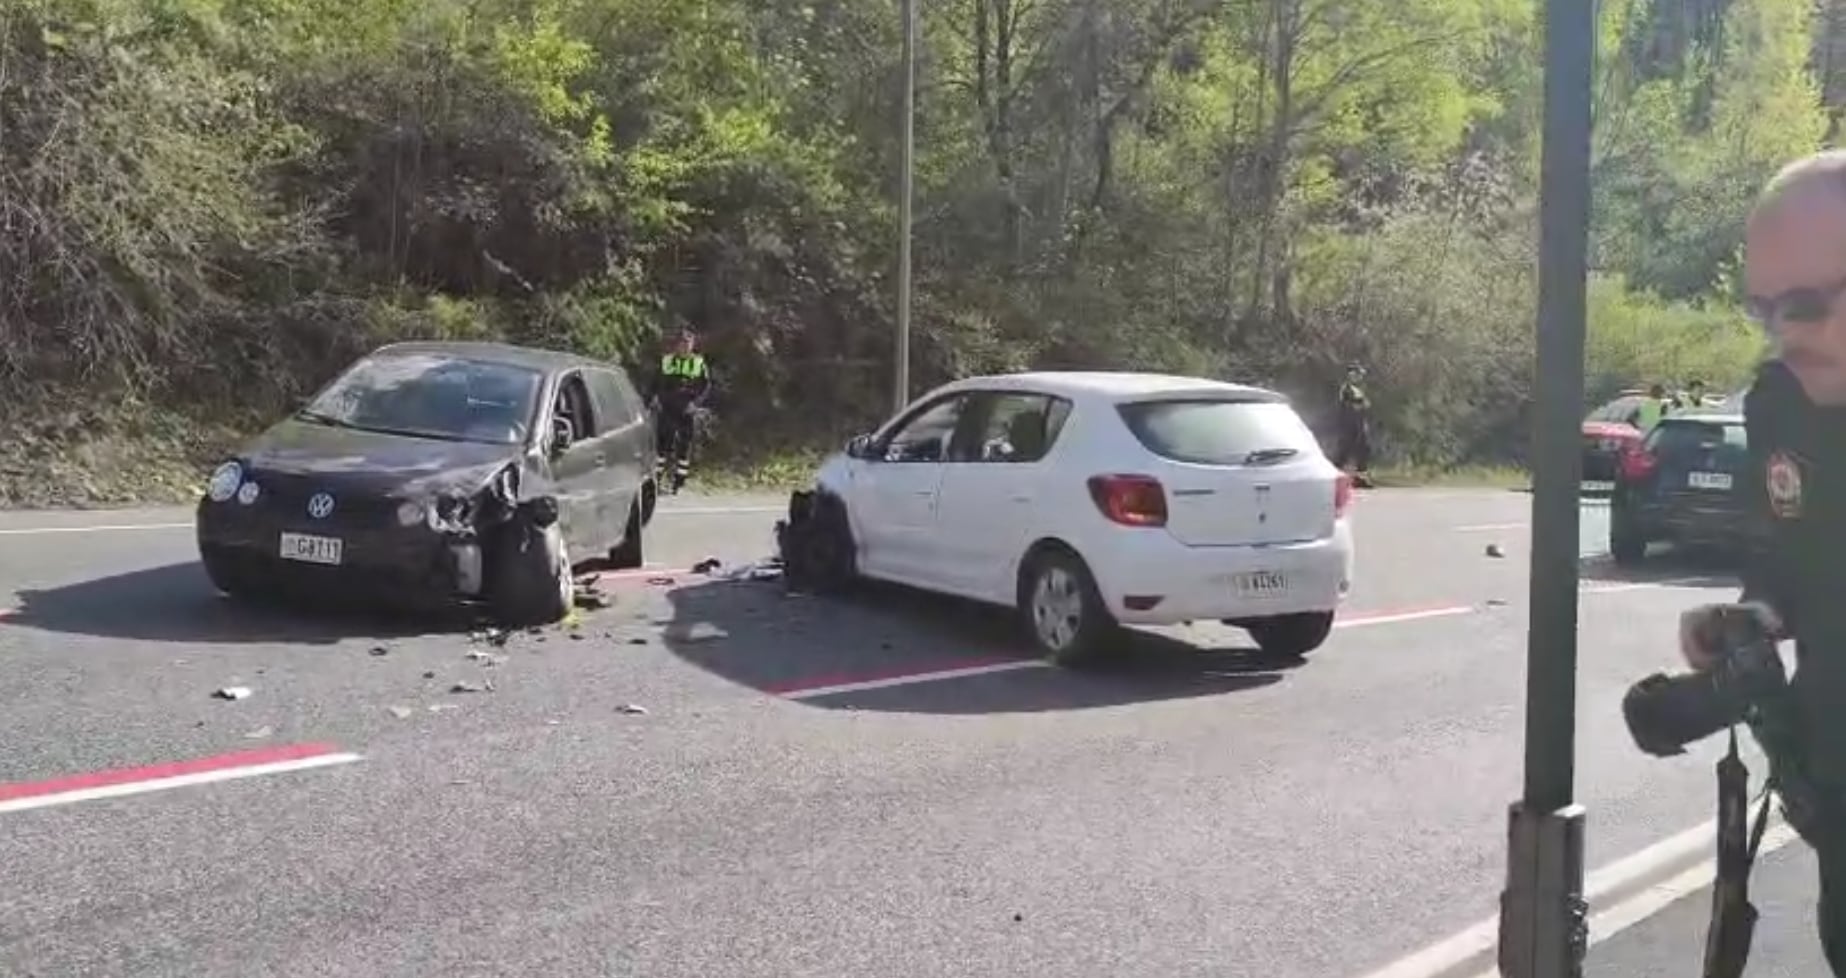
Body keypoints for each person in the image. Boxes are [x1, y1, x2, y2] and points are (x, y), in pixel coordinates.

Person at [1681, 148, 1846, 975]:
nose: (1783, 333)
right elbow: (1783, 556)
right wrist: (1750, 620)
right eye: (1764, 309)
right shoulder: (1780, 404)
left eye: (1810, 305)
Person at [648, 328, 712, 494]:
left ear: (692, 345)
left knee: (684, 447)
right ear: (676, 345)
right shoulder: (666, 360)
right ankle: (656, 480)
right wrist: (654, 398)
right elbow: (655, 381)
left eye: (688, 344)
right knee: (662, 446)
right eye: (682, 343)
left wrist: (696, 404)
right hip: (667, 406)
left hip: (686, 409)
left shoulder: (698, 363)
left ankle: (678, 483)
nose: (684, 347)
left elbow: (705, 387)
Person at [1333, 364, 1374, 487]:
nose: (1360, 377)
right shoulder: (1347, 389)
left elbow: (1364, 406)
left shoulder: (1358, 389)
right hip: (1349, 426)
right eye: (1358, 374)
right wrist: (1361, 404)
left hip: (1359, 424)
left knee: (1363, 451)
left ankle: (1360, 478)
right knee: (1344, 453)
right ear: (1352, 374)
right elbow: (1352, 407)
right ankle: (1333, 477)